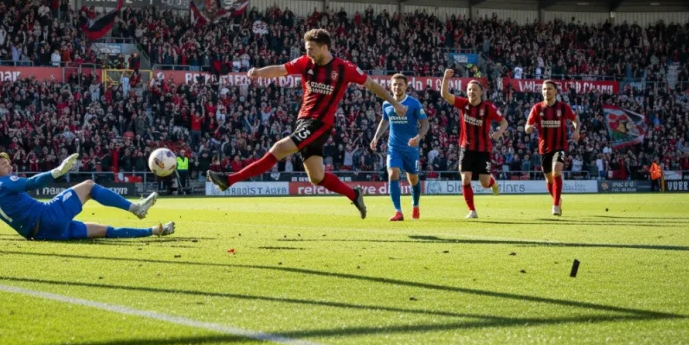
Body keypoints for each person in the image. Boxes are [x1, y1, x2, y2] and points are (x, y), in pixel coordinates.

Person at [207, 28, 407, 218]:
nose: (308, 52)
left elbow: (371, 84)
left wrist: (395, 103)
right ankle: (354, 195)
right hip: (303, 122)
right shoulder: (305, 62)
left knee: (279, 148)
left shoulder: (344, 68)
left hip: (320, 123)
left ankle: (229, 180)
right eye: (306, 49)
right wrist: (259, 72)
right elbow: (280, 69)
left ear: (324, 47)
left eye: (311, 48)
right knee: (317, 177)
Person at [0, 152, 173, 241]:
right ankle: (135, 208)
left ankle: (155, 231)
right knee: (89, 186)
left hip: (44, 234)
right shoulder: (2, 182)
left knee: (104, 231)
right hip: (48, 216)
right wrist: (57, 172)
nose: (9, 166)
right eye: (4, 165)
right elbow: (32, 183)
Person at [440, 69, 507, 219]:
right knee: (465, 179)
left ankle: (492, 182)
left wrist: (498, 132)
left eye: (475, 89)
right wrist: (445, 78)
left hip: (484, 150)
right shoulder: (463, 104)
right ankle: (472, 210)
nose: (471, 92)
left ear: (481, 92)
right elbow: (445, 94)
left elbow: (504, 122)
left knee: (484, 183)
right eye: (469, 89)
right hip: (466, 148)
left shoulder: (488, 107)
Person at [370, 73, 429, 221]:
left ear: (406, 86)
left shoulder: (414, 103)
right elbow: (385, 121)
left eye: (400, 84)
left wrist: (418, 137)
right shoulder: (386, 104)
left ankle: (415, 205)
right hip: (394, 148)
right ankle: (398, 211)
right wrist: (376, 137)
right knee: (393, 173)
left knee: (413, 179)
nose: (397, 87)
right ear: (391, 86)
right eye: (394, 84)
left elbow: (425, 123)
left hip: (411, 148)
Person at [524, 80, 580, 216]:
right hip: (544, 148)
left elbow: (575, 120)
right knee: (549, 179)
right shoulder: (537, 108)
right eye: (544, 89)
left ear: (555, 91)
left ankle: (555, 206)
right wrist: (529, 128)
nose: (546, 91)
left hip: (559, 145)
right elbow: (527, 126)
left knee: (556, 171)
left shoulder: (563, 107)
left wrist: (576, 131)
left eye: (549, 89)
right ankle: (557, 199)